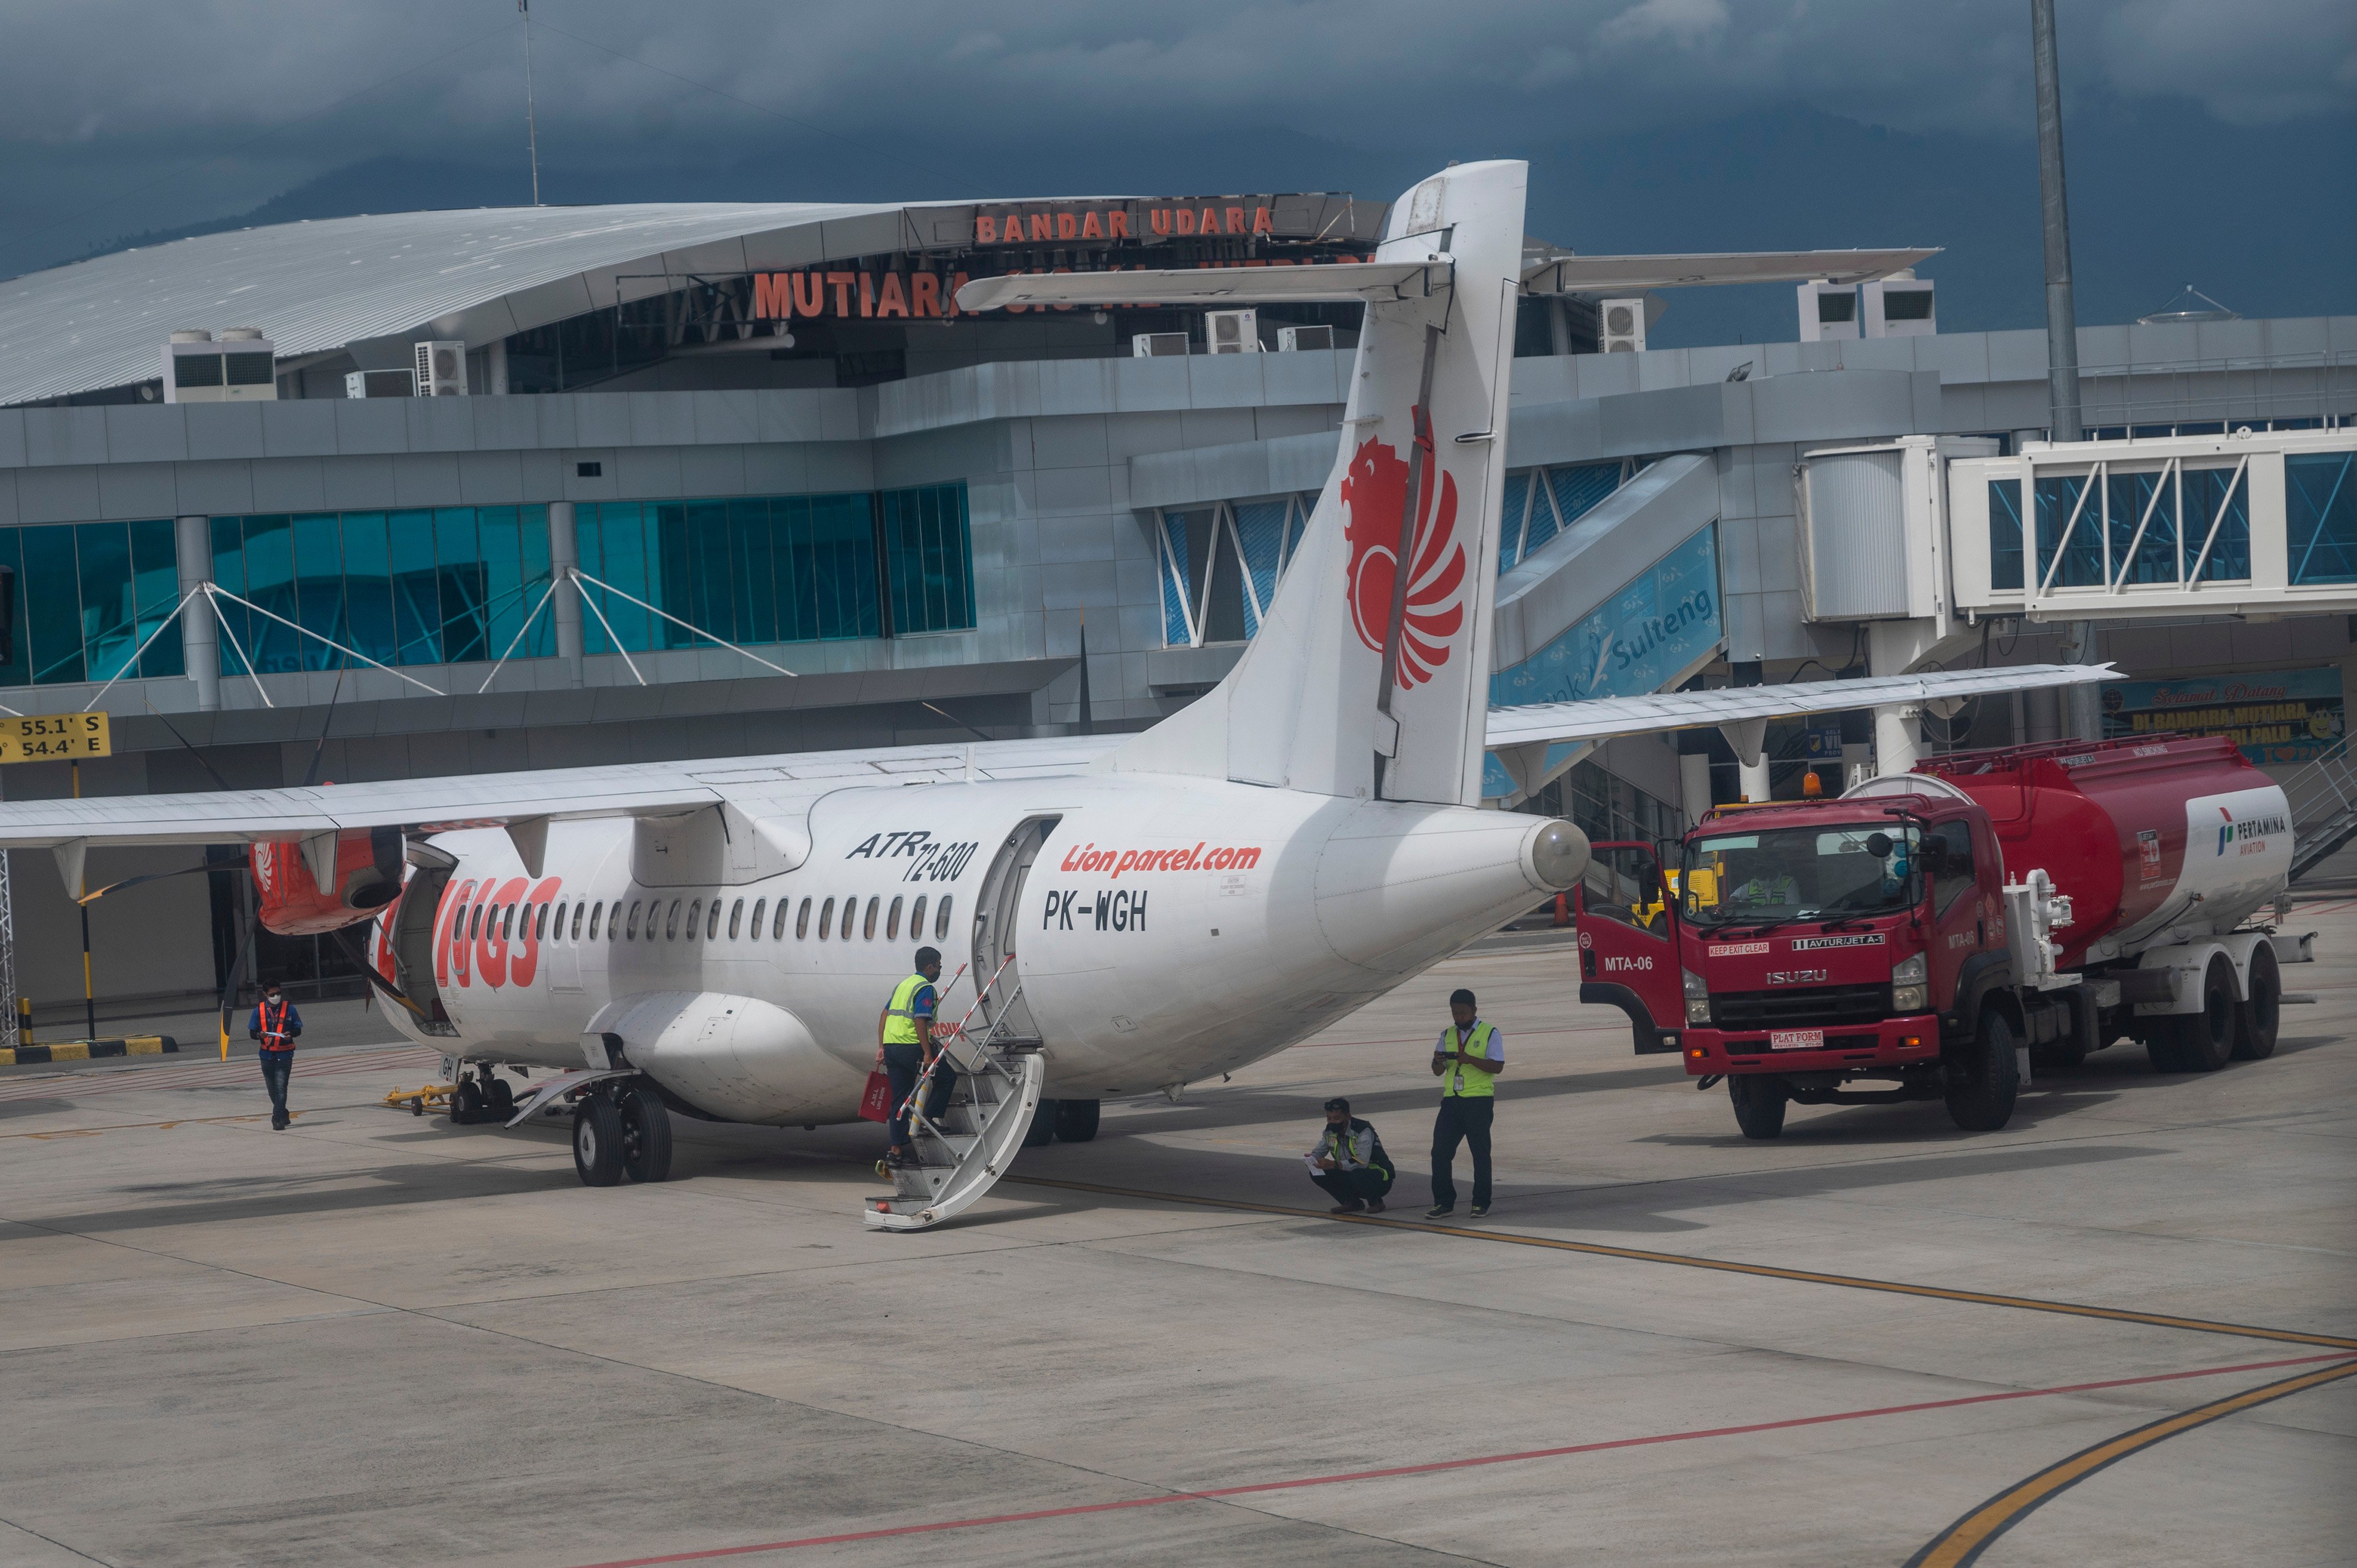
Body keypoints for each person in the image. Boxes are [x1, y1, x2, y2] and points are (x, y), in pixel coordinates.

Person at [1427, 987, 1503, 1219]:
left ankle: (1480, 1203)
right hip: (1452, 1101)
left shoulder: (1490, 1033)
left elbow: (1497, 1066)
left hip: (1478, 1101)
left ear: (1474, 1010)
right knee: (1440, 1153)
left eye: (1463, 1013)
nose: (1459, 1017)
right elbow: (1437, 1071)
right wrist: (1438, 1061)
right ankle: (1443, 1202)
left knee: (1480, 1153)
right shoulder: (1447, 1034)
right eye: (1455, 1013)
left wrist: (1470, 1060)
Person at [877, 947, 955, 1170]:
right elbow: (920, 1020)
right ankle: (928, 1121)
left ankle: (896, 1153)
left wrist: (881, 1047)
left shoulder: (903, 985)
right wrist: (928, 1053)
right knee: (947, 1077)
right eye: (939, 965)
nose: (939, 969)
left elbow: (884, 1015)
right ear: (930, 967)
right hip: (911, 1047)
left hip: (892, 1048)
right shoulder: (925, 988)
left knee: (900, 1099)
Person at [1306, 1097, 1394, 1213]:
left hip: (1378, 1176)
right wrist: (1312, 1159)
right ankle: (1352, 1202)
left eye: (1337, 1118)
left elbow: (1362, 1162)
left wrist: (1335, 1165)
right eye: (1329, 1118)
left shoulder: (1363, 1130)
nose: (1332, 1122)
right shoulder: (1330, 1131)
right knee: (1317, 1173)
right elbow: (1320, 1150)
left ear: (1348, 1117)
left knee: (1358, 1173)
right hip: (1350, 1172)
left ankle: (1376, 1202)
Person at [248, 982, 303, 1130]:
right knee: (272, 1090)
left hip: (284, 1054)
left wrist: (291, 1034)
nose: (276, 996)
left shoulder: (290, 1009)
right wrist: (259, 1035)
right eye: (272, 994)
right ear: (265, 995)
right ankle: (283, 1112)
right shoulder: (258, 1011)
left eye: (278, 993)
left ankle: (276, 1117)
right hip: (267, 1055)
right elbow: (252, 1033)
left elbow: (298, 1030)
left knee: (281, 1087)